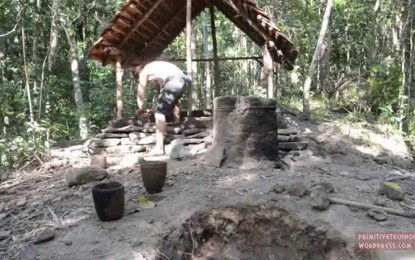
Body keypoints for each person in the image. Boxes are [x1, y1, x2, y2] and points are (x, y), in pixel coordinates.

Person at [133, 60, 191, 156]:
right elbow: (163, 92)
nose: (148, 83)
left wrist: (141, 109)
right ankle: (171, 129)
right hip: (184, 80)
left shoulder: (144, 71)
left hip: (174, 80)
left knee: (159, 114)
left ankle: (159, 148)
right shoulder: (157, 70)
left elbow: (141, 91)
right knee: (170, 105)